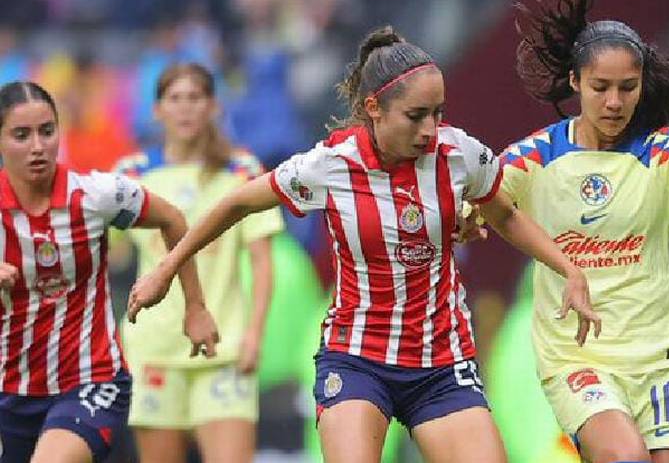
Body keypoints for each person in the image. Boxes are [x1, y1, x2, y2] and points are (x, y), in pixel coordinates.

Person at [127, 26, 600, 463]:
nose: (430, 129)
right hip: (358, 358)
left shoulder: (460, 155)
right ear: (374, 108)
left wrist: (569, 270)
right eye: (415, 116)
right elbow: (236, 203)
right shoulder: (330, 165)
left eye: (438, 113)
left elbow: (506, 215)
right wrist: (166, 269)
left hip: (441, 360)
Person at [499, 0, 669, 462]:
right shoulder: (535, 155)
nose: (614, 101)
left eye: (627, 87)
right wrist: (464, 219)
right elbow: (483, 200)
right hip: (579, 356)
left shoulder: (668, 150)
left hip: (660, 355)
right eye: (600, 86)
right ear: (575, 81)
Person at [0, 81, 219, 463]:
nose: (38, 146)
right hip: (9, 390)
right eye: (21, 135)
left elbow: (172, 219)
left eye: (47, 131)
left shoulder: (96, 195)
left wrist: (194, 304)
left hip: (89, 380)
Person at [113, 63, 285, 463]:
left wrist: (254, 335)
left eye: (195, 97)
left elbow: (262, 262)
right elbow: (105, 250)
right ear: (157, 110)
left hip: (223, 348)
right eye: (175, 99)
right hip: (153, 348)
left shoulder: (241, 170)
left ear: (213, 106)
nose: (185, 108)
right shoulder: (131, 174)